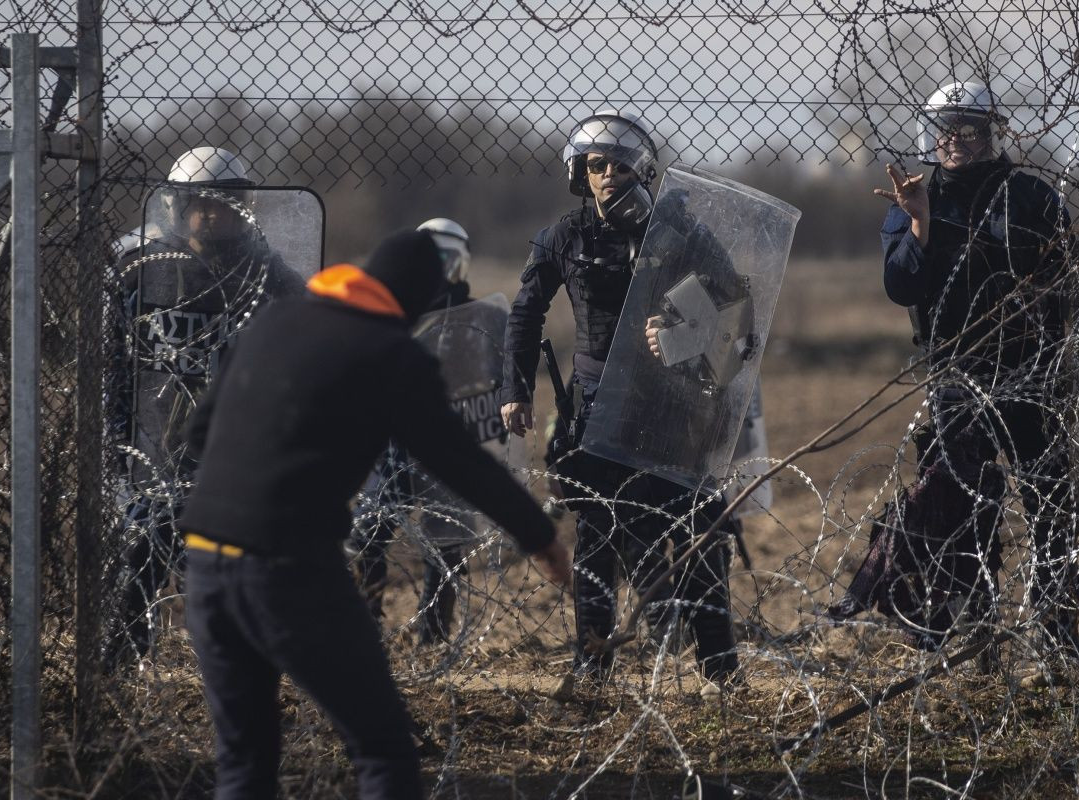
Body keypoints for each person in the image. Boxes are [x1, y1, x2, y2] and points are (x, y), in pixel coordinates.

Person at [177, 229, 572, 800]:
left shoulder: (275, 322)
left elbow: (198, 433)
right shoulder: (391, 354)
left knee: (244, 759)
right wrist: (539, 536)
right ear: (413, 301)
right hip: (288, 569)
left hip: (205, 562)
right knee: (383, 749)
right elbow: (458, 460)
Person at [828, 81, 1079, 653]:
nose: (955, 141)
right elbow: (900, 286)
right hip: (956, 375)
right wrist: (919, 223)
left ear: (991, 135)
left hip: (1029, 371)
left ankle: (1055, 627)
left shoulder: (1030, 196)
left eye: (968, 130)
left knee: (1049, 501)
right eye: (945, 131)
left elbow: (1063, 279)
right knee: (960, 500)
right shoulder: (917, 199)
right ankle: (970, 627)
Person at [501, 110, 739, 695]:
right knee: (598, 536)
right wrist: (515, 389)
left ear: (643, 170)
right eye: (596, 165)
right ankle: (592, 666)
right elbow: (525, 314)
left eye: (620, 165)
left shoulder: (679, 232)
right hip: (596, 407)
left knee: (698, 529)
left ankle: (720, 669)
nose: (607, 174)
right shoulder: (565, 236)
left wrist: (685, 334)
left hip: (674, 404)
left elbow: (736, 306)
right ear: (580, 173)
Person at [107, 146, 306, 666]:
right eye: (201, 204)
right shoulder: (144, 268)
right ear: (177, 206)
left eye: (224, 203)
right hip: (157, 442)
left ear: (245, 207)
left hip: (234, 447)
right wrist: (115, 434)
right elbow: (113, 357)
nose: (212, 215)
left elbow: (307, 328)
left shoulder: (266, 273)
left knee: (222, 568)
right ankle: (122, 660)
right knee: (141, 554)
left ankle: (229, 663)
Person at [348, 217, 500, 644]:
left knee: (446, 543)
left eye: (447, 260)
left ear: (461, 263)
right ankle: (365, 622)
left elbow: (492, 377)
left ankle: (433, 636)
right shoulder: (391, 312)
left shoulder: (477, 318)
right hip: (392, 444)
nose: (438, 270)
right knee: (367, 534)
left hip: (449, 441)